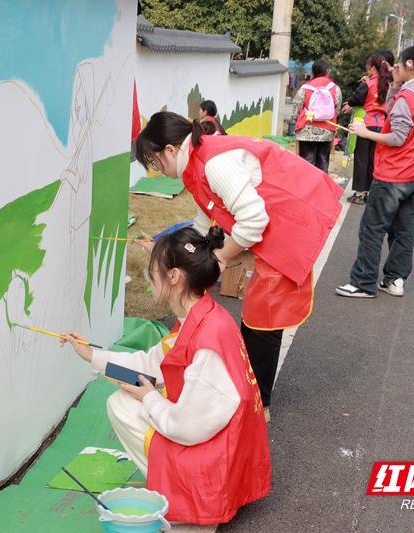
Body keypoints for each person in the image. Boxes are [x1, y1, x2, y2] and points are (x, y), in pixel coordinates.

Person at [134, 111, 342, 420]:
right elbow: (203, 223)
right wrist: (169, 253)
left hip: (291, 222)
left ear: (170, 149)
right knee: (257, 317)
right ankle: (251, 393)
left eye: (155, 162)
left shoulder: (214, 163)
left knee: (263, 318)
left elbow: (254, 221)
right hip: (276, 223)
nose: (157, 171)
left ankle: (259, 406)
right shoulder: (196, 163)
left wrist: (221, 257)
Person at [62, 227, 271, 525]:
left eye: (152, 271)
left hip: (216, 468)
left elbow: (185, 427)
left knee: (125, 405)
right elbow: (150, 366)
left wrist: (148, 397)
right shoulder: (200, 316)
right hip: (224, 451)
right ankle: (180, 485)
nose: (149, 279)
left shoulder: (206, 340)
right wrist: (91, 355)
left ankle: (183, 497)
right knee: (127, 397)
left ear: (174, 276)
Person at [336, 45, 414, 298]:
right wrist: (396, 84)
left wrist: (365, 133)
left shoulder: (409, 98)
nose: (394, 68)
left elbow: (397, 137)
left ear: (409, 65)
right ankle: (395, 280)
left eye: (399, 64)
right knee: (404, 231)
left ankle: (364, 282)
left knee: (372, 228)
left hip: (393, 175)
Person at [342, 53, 392, 204]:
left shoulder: (368, 83)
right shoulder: (388, 84)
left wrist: (349, 104)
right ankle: (372, 193)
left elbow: (356, 98)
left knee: (361, 160)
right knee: (374, 160)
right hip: (381, 126)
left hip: (367, 125)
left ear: (372, 68)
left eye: (368, 67)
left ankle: (359, 194)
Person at [291, 60, 342, 173]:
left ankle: (307, 187)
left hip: (306, 129)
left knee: (307, 162)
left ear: (313, 72)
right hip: (327, 130)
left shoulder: (305, 88)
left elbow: (296, 107)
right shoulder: (335, 88)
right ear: (327, 72)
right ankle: (321, 188)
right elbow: (337, 109)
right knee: (323, 160)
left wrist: (296, 120)